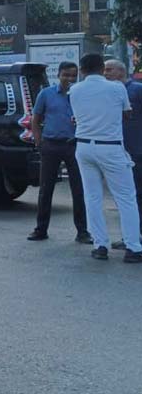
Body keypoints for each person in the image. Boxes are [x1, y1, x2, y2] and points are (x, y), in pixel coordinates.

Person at [69, 53, 142, 262]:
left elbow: (77, 117)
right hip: (110, 147)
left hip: (83, 147)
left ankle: (100, 245)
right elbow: (127, 114)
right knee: (126, 198)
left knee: (92, 197)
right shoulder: (117, 87)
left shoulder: (74, 90)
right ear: (103, 68)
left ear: (81, 70)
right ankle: (133, 248)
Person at [27, 62, 90, 243]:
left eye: (73, 75)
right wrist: (39, 142)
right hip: (51, 145)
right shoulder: (46, 94)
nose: (70, 79)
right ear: (59, 75)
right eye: (66, 75)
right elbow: (36, 119)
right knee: (46, 189)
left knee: (78, 190)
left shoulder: (80, 94)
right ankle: (41, 230)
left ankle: (82, 232)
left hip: (75, 146)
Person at [104, 59, 142, 250]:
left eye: (109, 69)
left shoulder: (136, 89)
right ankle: (130, 236)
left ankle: (136, 237)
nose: (105, 73)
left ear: (121, 71)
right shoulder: (109, 92)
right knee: (124, 196)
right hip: (117, 151)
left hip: (137, 151)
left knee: (137, 193)